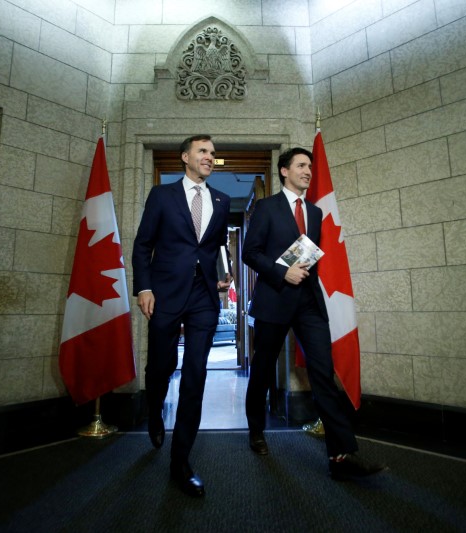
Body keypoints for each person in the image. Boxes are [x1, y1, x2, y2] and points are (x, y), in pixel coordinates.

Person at [242, 147, 386, 481]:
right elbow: (251, 252)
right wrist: (282, 272)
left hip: (308, 304)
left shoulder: (316, 213)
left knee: (322, 373)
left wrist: (298, 270)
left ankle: (340, 457)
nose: (308, 171)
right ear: (283, 171)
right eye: (301, 166)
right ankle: (255, 431)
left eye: (309, 166)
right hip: (274, 301)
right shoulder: (265, 208)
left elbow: (309, 256)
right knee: (262, 370)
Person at [132, 135, 232, 497]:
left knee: (195, 375)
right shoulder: (162, 195)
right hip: (165, 294)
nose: (209, 157)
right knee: (161, 365)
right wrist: (144, 288)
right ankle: (155, 409)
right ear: (185, 157)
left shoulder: (220, 201)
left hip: (204, 296)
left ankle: (181, 462)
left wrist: (224, 272)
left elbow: (217, 244)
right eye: (203, 152)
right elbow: (143, 245)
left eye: (213, 154)